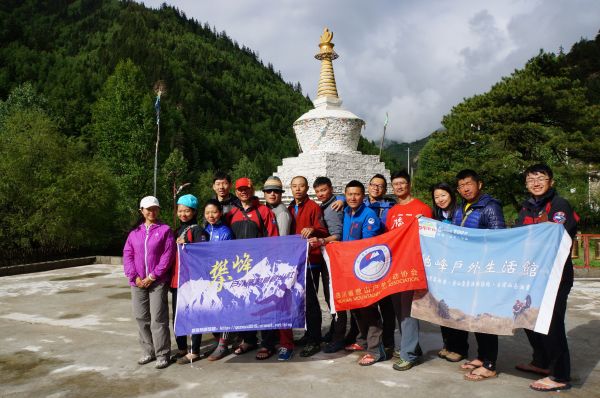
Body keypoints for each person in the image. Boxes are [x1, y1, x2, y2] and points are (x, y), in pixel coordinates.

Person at [514, 164, 577, 392]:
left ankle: (560, 374)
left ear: (551, 181)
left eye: (540, 178)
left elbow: (558, 235)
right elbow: (517, 236)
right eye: (531, 179)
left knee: (552, 324)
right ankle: (540, 362)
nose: (536, 183)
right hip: (531, 276)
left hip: (555, 277)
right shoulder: (526, 207)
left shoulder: (559, 205)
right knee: (528, 318)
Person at [452, 169, 505, 381]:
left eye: (468, 183)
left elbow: (497, 239)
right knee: (475, 316)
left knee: (485, 317)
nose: (465, 188)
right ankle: (482, 357)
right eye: (461, 185)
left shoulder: (490, 207)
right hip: (468, 271)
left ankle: (490, 364)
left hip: (484, 271)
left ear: (479, 184)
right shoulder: (461, 209)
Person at [226, 177, 279, 360]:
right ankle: (248, 339)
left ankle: (267, 343)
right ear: (236, 190)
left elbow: (273, 238)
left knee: (264, 305)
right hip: (239, 268)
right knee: (244, 303)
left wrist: (270, 265)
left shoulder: (263, 211)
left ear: (252, 189)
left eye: (246, 189)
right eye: (240, 189)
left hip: (260, 267)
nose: (243, 192)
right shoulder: (231, 213)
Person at [385, 170, 432, 371]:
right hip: (395, 266)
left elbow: (429, 238)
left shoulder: (423, 209)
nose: (399, 187)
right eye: (396, 184)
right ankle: (411, 346)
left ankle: (409, 354)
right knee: (399, 310)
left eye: (402, 183)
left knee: (407, 312)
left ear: (409, 184)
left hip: (412, 267)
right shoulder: (392, 211)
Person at [123, 196, 175, 369]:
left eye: (155, 209)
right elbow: (128, 255)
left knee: (158, 319)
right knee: (141, 317)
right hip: (137, 282)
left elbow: (168, 256)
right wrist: (135, 277)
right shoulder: (134, 233)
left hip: (157, 281)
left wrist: (152, 276)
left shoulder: (165, 230)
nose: (152, 212)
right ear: (142, 211)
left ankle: (162, 353)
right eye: (148, 209)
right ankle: (148, 351)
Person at [342, 180, 386, 366]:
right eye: (349, 194)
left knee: (369, 310)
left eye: (357, 194)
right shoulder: (346, 212)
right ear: (345, 195)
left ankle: (377, 351)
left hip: (365, 270)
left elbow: (367, 247)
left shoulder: (368, 216)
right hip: (348, 268)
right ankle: (362, 341)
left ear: (363, 196)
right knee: (356, 307)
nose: (353, 197)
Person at [288, 176, 329, 357]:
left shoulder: (313, 207)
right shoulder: (289, 208)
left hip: (311, 261)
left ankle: (315, 340)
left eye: (301, 186)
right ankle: (308, 334)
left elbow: (324, 230)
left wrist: (312, 228)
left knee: (312, 302)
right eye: (294, 186)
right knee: (302, 301)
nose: (298, 189)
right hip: (295, 261)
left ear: (307, 189)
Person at [170, 194, 208, 364]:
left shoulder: (198, 230)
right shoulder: (177, 230)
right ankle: (182, 348)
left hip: (191, 280)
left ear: (194, 212)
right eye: (180, 210)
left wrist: (188, 244)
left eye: (187, 211)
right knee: (178, 315)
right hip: (177, 279)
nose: (183, 214)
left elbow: (204, 252)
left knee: (194, 314)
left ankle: (194, 351)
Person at [262, 175, 295, 361]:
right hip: (269, 263)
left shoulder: (281, 213)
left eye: (276, 191)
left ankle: (286, 344)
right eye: (269, 191)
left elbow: (281, 241)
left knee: (282, 305)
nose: (272, 194)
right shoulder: (267, 210)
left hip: (278, 264)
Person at [309, 176, 344, 353]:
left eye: (324, 190)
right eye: (318, 191)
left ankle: (339, 337)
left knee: (334, 297)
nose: (321, 194)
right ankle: (334, 330)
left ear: (331, 189)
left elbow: (337, 235)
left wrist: (321, 240)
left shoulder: (333, 207)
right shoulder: (325, 206)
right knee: (329, 296)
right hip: (325, 256)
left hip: (334, 257)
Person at [430, 182, 464, 363]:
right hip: (441, 268)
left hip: (457, 268)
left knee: (456, 308)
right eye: (436, 197)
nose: (440, 200)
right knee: (442, 307)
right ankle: (448, 344)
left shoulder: (460, 213)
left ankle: (460, 347)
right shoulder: (435, 215)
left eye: (443, 195)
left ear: (451, 195)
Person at [203, 199, 235, 361]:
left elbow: (226, 256)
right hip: (207, 276)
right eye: (208, 213)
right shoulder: (204, 230)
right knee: (212, 309)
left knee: (223, 310)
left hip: (222, 276)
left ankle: (223, 345)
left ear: (220, 213)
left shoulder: (226, 232)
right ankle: (218, 341)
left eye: (214, 212)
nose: (211, 216)